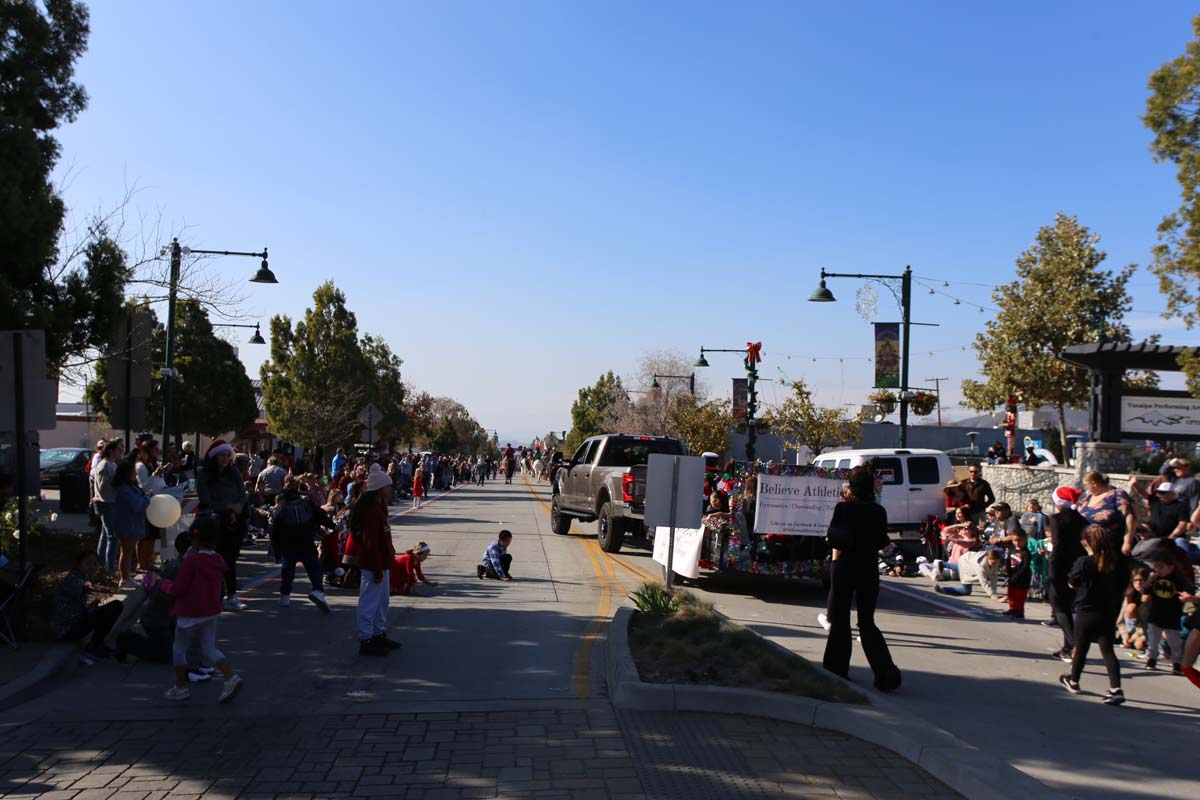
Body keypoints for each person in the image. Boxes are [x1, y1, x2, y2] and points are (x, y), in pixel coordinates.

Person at [821, 465, 901, 691]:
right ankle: (885, 671)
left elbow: (834, 539)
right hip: (868, 567)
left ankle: (837, 667)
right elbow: (882, 541)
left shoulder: (843, 509)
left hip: (846, 565)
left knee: (840, 618)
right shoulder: (878, 511)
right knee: (866, 621)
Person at [158, 515, 243, 703]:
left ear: (195, 539)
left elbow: (178, 588)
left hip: (189, 611)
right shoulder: (218, 560)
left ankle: (180, 687)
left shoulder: (191, 561)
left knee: (179, 649)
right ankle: (230, 677)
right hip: (211, 611)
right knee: (209, 648)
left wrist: (162, 584)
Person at [1061, 525, 1130, 705]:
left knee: (1081, 647)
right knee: (1108, 651)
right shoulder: (1114, 563)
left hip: (1086, 609)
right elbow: (1123, 583)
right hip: (1107, 610)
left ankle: (1074, 680)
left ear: (1085, 542)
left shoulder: (1084, 562)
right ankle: (1116, 688)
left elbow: (1073, 582)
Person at [196, 439, 249, 611]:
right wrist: (227, 509)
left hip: (235, 522)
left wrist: (236, 510)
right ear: (214, 456)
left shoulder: (234, 472)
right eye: (222, 455)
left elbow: (242, 495)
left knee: (230, 559)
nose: (226, 459)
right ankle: (212, 595)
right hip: (214, 521)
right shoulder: (204, 473)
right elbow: (205, 499)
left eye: (228, 455)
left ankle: (231, 595)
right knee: (214, 559)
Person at [352, 466, 399, 656]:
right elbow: (370, 542)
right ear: (379, 488)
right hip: (373, 563)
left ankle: (378, 633)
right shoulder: (371, 511)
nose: (390, 489)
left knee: (382, 601)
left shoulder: (380, 507)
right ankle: (366, 638)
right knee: (369, 602)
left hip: (382, 561)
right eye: (387, 486)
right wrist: (378, 567)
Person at [270, 479, 332, 612]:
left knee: (288, 569)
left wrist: (277, 553)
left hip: (289, 543)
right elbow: (320, 515)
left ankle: (285, 596)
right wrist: (332, 526)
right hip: (306, 540)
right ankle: (318, 590)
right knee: (314, 567)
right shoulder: (307, 505)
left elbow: (275, 533)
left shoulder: (283, 511)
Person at [50, 551, 124, 658]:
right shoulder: (73, 579)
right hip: (66, 630)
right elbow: (82, 588)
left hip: (73, 624)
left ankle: (97, 644)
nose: (92, 567)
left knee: (110, 608)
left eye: (95, 564)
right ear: (79, 565)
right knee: (115, 606)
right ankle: (95, 645)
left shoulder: (81, 577)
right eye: (88, 563)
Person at [1046, 486, 1086, 661]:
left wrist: (1053, 570)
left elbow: (1057, 546)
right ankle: (1067, 647)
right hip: (1078, 566)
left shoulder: (1057, 519)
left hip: (1061, 566)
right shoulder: (1082, 520)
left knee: (1059, 606)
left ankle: (1073, 644)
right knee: (1068, 606)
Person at [1142, 545, 1196, 673]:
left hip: (1172, 614)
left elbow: (1188, 588)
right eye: (1156, 566)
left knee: (1174, 641)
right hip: (1155, 613)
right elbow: (1145, 591)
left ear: (1171, 567)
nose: (1158, 570)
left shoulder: (1177, 578)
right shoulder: (1155, 578)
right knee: (1153, 639)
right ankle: (1152, 659)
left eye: (1161, 567)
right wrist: (1149, 581)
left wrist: (1186, 594)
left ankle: (1176, 662)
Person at [110, 461, 150, 585]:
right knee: (126, 552)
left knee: (127, 552)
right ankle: (124, 578)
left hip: (131, 523)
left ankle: (126, 576)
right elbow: (136, 505)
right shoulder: (124, 490)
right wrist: (147, 498)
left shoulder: (129, 487)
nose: (135, 475)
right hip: (128, 525)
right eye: (133, 472)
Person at [1077, 470, 1135, 557]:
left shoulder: (1117, 494)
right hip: (1089, 546)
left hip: (1110, 545)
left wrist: (1127, 542)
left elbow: (1130, 517)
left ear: (1094, 483)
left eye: (1086, 485)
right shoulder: (1088, 496)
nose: (1085, 488)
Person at [134, 438, 168, 572]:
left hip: (156, 503)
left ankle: (148, 562)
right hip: (146, 503)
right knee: (144, 537)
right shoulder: (140, 466)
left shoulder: (154, 464)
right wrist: (155, 475)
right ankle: (141, 564)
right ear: (147, 451)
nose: (158, 452)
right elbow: (144, 486)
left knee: (152, 536)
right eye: (155, 450)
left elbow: (160, 483)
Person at [90, 439, 124, 573]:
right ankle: (109, 568)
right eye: (119, 449)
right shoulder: (105, 465)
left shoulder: (112, 464)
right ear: (110, 451)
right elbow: (104, 487)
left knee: (105, 536)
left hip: (110, 502)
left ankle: (102, 566)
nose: (121, 451)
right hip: (106, 503)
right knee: (112, 537)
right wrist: (119, 485)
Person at [933, 548, 1004, 598]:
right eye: (993, 562)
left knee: (959, 568)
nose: (995, 564)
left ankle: (943, 564)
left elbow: (993, 577)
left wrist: (994, 592)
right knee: (966, 591)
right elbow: (983, 581)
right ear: (987, 559)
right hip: (965, 562)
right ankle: (941, 589)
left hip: (969, 559)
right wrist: (992, 594)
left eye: (997, 562)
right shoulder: (980, 566)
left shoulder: (994, 562)